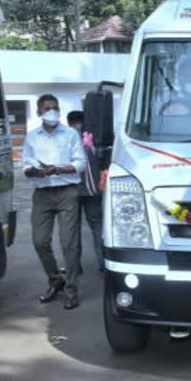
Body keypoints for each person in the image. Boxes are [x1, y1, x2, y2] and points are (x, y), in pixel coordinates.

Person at [22, 94, 86, 309]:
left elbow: (80, 164)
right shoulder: (32, 137)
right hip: (42, 194)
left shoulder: (70, 134)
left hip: (67, 191)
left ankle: (72, 290)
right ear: (39, 112)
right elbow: (25, 166)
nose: (52, 111)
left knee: (69, 243)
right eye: (47, 108)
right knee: (39, 241)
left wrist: (58, 169)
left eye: (55, 107)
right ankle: (55, 279)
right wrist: (34, 171)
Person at [66, 110, 104, 272]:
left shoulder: (65, 139)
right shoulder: (93, 138)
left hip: (72, 191)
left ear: (69, 123)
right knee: (97, 227)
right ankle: (103, 264)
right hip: (92, 191)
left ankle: (75, 266)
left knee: (73, 229)